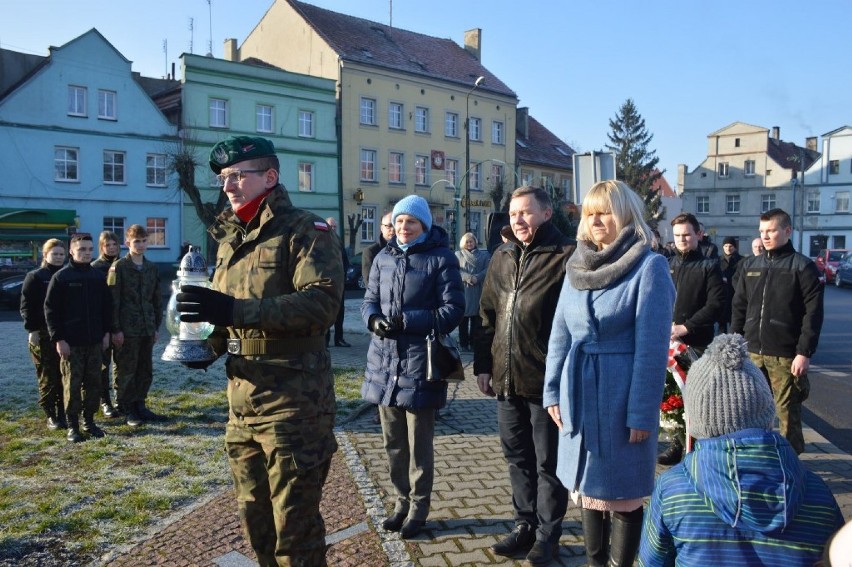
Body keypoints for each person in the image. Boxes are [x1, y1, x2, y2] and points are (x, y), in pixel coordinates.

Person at [175, 135, 344, 565]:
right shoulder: (230, 238)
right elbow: (225, 312)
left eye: (237, 177)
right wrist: (207, 346)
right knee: (257, 525)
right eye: (222, 178)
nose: (227, 186)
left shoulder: (306, 230)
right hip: (242, 403)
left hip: (294, 405)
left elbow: (321, 303)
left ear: (270, 177)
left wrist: (233, 308)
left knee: (295, 533)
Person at [543, 180, 675, 567]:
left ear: (626, 215)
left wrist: (641, 414)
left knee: (622, 493)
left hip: (619, 396)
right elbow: (559, 335)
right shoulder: (577, 266)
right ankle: (594, 562)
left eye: (605, 212)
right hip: (579, 393)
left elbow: (652, 351)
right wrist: (552, 391)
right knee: (587, 487)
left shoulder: (649, 266)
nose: (597, 220)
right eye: (590, 213)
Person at [638, 334, 843, 566]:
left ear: (694, 422)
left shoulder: (673, 490)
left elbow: (652, 561)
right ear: (767, 416)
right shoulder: (818, 494)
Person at [474, 185, 575, 565]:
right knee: (516, 457)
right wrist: (483, 365)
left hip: (546, 382)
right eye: (513, 214)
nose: (518, 220)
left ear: (546, 214)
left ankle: (549, 535)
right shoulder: (501, 255)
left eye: (526, 213)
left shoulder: (565, 255)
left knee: (548, 462)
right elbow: (487, 315)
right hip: (505, 378)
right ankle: (524, 525)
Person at [361, 195, 464, 540]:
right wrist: (374, 320)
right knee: (392, 443)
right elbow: (369, 301)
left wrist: (408, 321)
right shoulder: (382, 258)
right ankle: (399, 503)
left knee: (420, 445)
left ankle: (419, 509)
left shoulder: (441, 258)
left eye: (412, 223)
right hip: (384, 363)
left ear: (425, 226)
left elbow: (453, 311)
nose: (404, 228)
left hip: (421, 363)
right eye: (400, 222)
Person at [731, 208, 823, 455]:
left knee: (786, 415)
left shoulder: (803, 267)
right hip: (751, 352)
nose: (765, 236)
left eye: (771, 230)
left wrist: (804, 352)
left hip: (785, 355)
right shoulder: (750, 265)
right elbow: (739, 307)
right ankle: (758, 459)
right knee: (750, 410)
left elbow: (812, 315)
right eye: (762, 231)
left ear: (787, 230)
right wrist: (733, 343)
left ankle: (790, 465)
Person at [659, 212, 724, 465]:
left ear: (698, 234)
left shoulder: (710, 266)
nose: (681, 239)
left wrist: (686, 327)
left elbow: (716, 304)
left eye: (686, 234)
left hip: (696, 342)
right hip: (667, 341)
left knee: (697, 397)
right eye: (677, 236)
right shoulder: (666, 264)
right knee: (671, 397)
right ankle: (677, 442)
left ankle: (698, 447)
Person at [44, 233, 111, 443]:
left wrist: (106, 333)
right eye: (82, 249)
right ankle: (73, 426)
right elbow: (51, 311)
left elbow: (106, 308)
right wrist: (59, 339)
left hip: (94, 342)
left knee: (93, 384)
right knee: (72, 386)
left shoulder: (98, 276)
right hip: (71, 344)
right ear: (72, 251)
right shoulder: (62, 278)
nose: (86, 253)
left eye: (90, 249)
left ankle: (89, 422)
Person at [107, 224, 163, 427]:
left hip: (147, 327)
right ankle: (127, 408)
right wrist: (115, 329)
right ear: (127, 243)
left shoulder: (151, 267)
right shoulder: (119, 267)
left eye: (144, 241)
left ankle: (140, 404)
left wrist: (156, 326)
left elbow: (156, 299)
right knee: (126, 369)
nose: (140, 245)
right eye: (136, 241)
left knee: (145, 369)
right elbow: (113, 300)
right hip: (127, 328)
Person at [20, 238, 67, 431]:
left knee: (65, 375)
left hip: (65, 334)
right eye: (54, 254)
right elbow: (26, 306)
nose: (58, 257)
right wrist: (32, 330)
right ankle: (51, 415)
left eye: (61, 254)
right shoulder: (36, 276)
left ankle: (63, 412)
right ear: (45, 255)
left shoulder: (67, 275)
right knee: (47, 376)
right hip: (42, 333)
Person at [91, 230, 120, 419]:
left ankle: (122, 400)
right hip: (103, 326)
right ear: (101, 247)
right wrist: (105, 330)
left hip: (124, 324)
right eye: (107, 245)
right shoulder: (95, 268)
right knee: (103, 366)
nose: (111, 248)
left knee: (122, 366)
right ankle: (105, 402)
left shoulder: (124, 265)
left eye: (114, 244)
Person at [455, 232, 490, 352]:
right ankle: (463, 342)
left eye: (471, 241)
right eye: (467, 242)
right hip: (464, 290)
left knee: (476, 319)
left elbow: (488, 269)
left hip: (478, 289)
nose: (469, 244)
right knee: (463, 319)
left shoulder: (484, 255)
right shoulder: (458, 255)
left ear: (475, 242)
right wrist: (468, 277)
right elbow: (455, 270)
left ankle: (474, 342)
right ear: (463, 243)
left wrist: (478, 277)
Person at [325, 216, 351, 348]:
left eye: (335, 227)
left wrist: (344, 275)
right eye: (331, 226)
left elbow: (345, 261)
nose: (333, 229)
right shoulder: (321, 240)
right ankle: (325, 340)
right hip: (326, 283)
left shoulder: (339, 241)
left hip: (339, 283)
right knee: (326, 311)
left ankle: (339, 339)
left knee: (340, 313)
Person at [717, 236, 742, 333]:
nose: (728, 248)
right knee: (721, 326)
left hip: (735, 294)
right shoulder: (718, 261)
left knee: (735, 325)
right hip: (722, 295)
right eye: (726, 246)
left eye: (731, 246)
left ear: (735, 247)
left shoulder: (741, 261)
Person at [362, 212, 394, 286]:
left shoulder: (406, 249)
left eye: (395, 225)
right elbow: (370, 283)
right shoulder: (371, 251)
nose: (392, 229)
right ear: (382, 228)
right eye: (388, 226)